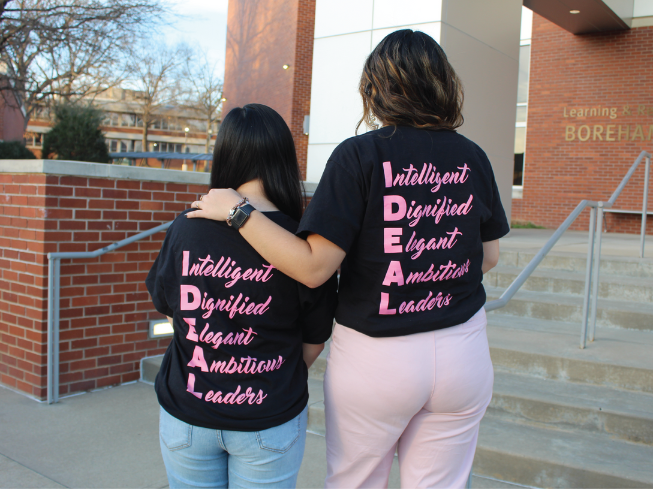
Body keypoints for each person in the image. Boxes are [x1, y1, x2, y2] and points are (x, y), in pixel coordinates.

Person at [187, 30, 509, 489]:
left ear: (374, 89)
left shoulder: (360, 155)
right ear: (441, 83)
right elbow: (489, 256)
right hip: (463, 353)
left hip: (378, 357)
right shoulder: (472, 155)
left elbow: (314, 266)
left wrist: (238, 213)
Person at [146, 103, 338, 489]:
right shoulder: (302, 242)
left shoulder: (185, 228)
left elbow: (173, 313)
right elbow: (313, 343)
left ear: (226, 154)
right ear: (283, 158)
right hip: (267, 420)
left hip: (188, 414)